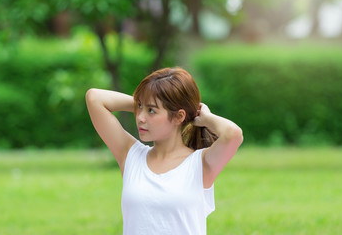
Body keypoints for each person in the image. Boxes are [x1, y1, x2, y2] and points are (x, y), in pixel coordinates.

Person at [85, 67, 243, 235]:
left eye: (151, 111)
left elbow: (233, 134)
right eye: (139, 108)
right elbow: (94, 98)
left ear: (179, 116)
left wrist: (204, 118)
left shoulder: (201, 164)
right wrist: (145, 103)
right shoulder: (130, 156)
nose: (140, 117)